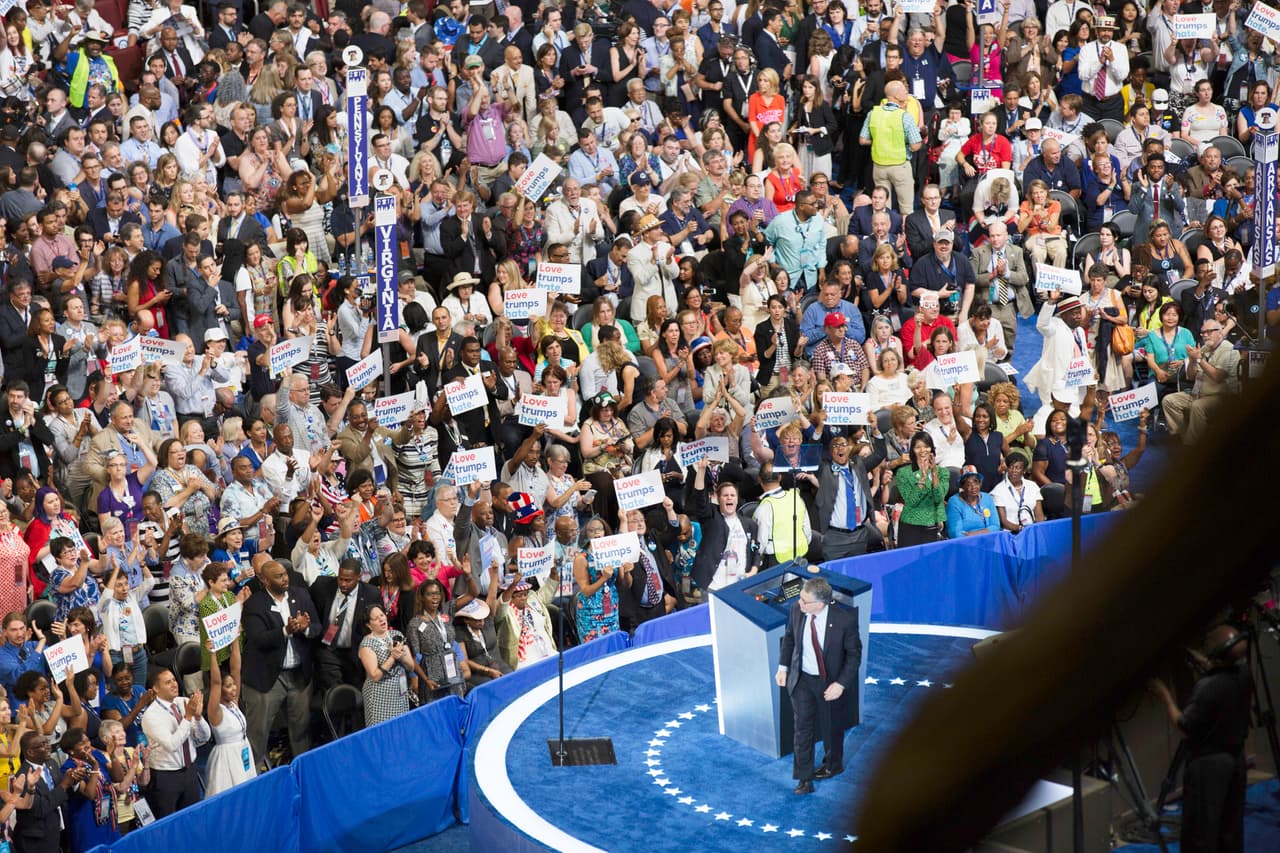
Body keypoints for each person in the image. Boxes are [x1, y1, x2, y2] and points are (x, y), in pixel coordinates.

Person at [1149, 625, 1251, 853]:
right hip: (1236, 761)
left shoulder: (1208, 688)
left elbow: (1184, 727)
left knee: (1200, 833)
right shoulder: (1244, 674)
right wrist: (1191, 654)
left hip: (1209, 766)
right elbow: (1218, 667)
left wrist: (1163, 694)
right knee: (1230, 829)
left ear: (1217, 654)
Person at [775, 577, 861, 794]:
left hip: (829, 682)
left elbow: (853, 656)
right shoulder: (797, 610)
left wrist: (840, 684)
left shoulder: (844, 620)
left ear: (821, 603)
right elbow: (790, 639)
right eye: (800, 599)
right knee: (802, 728)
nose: (799, 604)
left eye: (805, 601)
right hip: (802, 679)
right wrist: (783, 667)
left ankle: (833, 765)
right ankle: (804, 778)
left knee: (832, 726)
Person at [240, 560, 318, 771]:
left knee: (301, 730)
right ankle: (251, 778)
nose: (285, 579)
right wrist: (285, 631)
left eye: (285, 574)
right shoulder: (254, 605)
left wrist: (306, 629)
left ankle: (304, 772)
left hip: (299, 676)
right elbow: (258, 639)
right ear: (264, 580)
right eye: (278, 576)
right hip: (267, 679)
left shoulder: (300, 595)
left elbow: (317, 627)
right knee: (258, 733)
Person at [140, 668, 209, 818]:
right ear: (156, 689)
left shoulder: (183, 702)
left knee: (193, 819)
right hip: (166, 778)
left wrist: (198, 717)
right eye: (168, 682)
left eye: (174, 680)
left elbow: (204, 738)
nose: (174, 684)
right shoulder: (151, 716)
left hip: (190, 771)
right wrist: (188, 716)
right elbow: (172, 745)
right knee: (168, 824)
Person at [945, 466, 1001, 538]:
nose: (973, 486)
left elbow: (996, 526)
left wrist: (975, 534)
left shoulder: (987, 498)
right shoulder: (954, 502)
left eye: (976, 482)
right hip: (965, 544)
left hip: (988, 540)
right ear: (962, 486)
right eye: (968, 484)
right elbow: (955, 533)